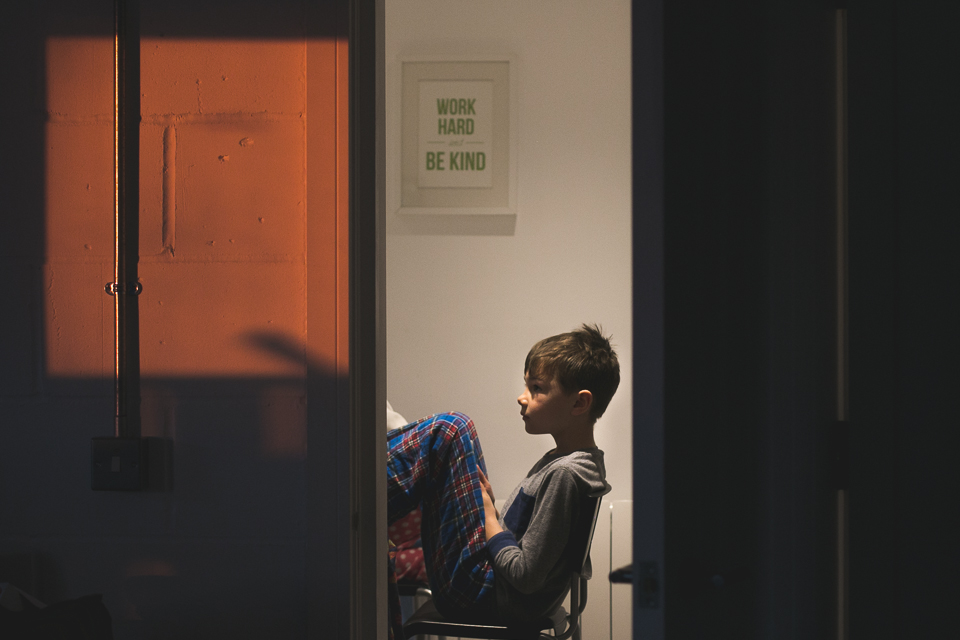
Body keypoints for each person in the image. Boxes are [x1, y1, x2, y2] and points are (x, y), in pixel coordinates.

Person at [386, 323, 619, 627]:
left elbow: (525, 575)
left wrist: (490, 519)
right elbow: (524, 541)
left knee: (452, 428)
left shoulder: (566, 474)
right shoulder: (568, 462)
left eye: (536, 388)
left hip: (484, 596)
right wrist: (490, 510)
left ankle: (355, 486)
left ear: (579, 402)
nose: (523, 397)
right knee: (459, 438)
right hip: (487, 589)